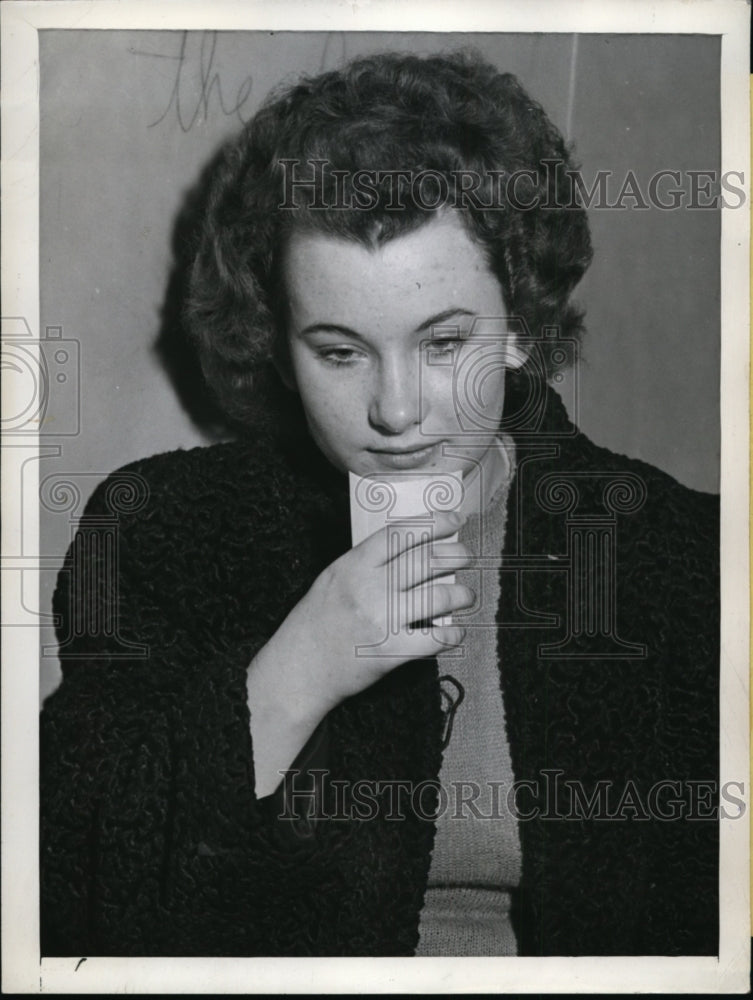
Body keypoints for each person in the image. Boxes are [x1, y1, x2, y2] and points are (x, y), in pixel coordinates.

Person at [40, 50, 719, 957]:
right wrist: (296, 669)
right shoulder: (159, 529)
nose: (395, 411)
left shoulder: (674, 556)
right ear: (277, 346)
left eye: (443, 344)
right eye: (340, 351)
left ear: (519, 323)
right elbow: (68, 880)